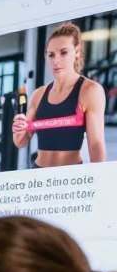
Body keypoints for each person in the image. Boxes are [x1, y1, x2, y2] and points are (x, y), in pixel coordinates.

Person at [12, 22, 106, 166]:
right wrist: (18, 129)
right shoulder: (38, 94)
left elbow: (96, 145)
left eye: (63, 52)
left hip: (70, 178)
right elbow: (21, 141)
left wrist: (99, 181)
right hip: (37, 173)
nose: (56, 60)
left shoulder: (90, 90)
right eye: (51, 55)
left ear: (77, 51)